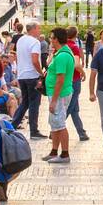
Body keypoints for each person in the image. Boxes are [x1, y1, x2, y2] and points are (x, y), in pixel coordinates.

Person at [43, 26, 76, 163]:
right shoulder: (61, 52)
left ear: (56, 39)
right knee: (55, 123)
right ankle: (54, 151)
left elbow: (60, 79)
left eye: (51, 37)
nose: (50, 40)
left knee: (60, 123)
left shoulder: (62, 55)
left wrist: (54, 101)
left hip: (59, 94)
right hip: (58, 93)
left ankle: (65, 154)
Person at [11, 22, 46, 139]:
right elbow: (35, 60)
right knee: (34, 104)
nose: (40, 30)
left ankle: (12, 126)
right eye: (39, 28)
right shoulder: (35, 42)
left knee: (25, 102)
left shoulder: (21, 40)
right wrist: (41, 73)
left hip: (22, 75)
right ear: (34, 29)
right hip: (32, 76)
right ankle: (34, 131)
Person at [64, 26, 89, 141]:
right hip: (74, 79)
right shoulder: (73, 46)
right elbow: (76, 65)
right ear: (76, 34)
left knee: (74, 107)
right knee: (70, 106)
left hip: (64, 79)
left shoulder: (62, 46)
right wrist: (83, 73)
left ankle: (81, 132)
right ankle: (56, 128)